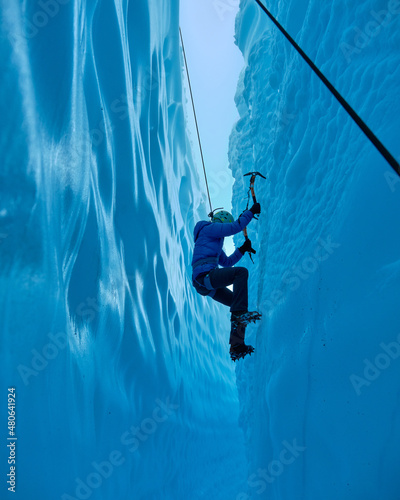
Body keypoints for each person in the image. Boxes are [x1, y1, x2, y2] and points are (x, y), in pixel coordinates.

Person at [191, 203, 261, 360]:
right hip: (205, 276)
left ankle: (237, 345)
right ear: (221, 221)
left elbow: (227, 262)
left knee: (236, 303)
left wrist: (242, 249)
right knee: (241, 273)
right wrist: (250, 212)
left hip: (204, 283)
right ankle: (240, 319)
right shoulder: (209, 228)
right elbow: (234, 227)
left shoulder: (212, 241)